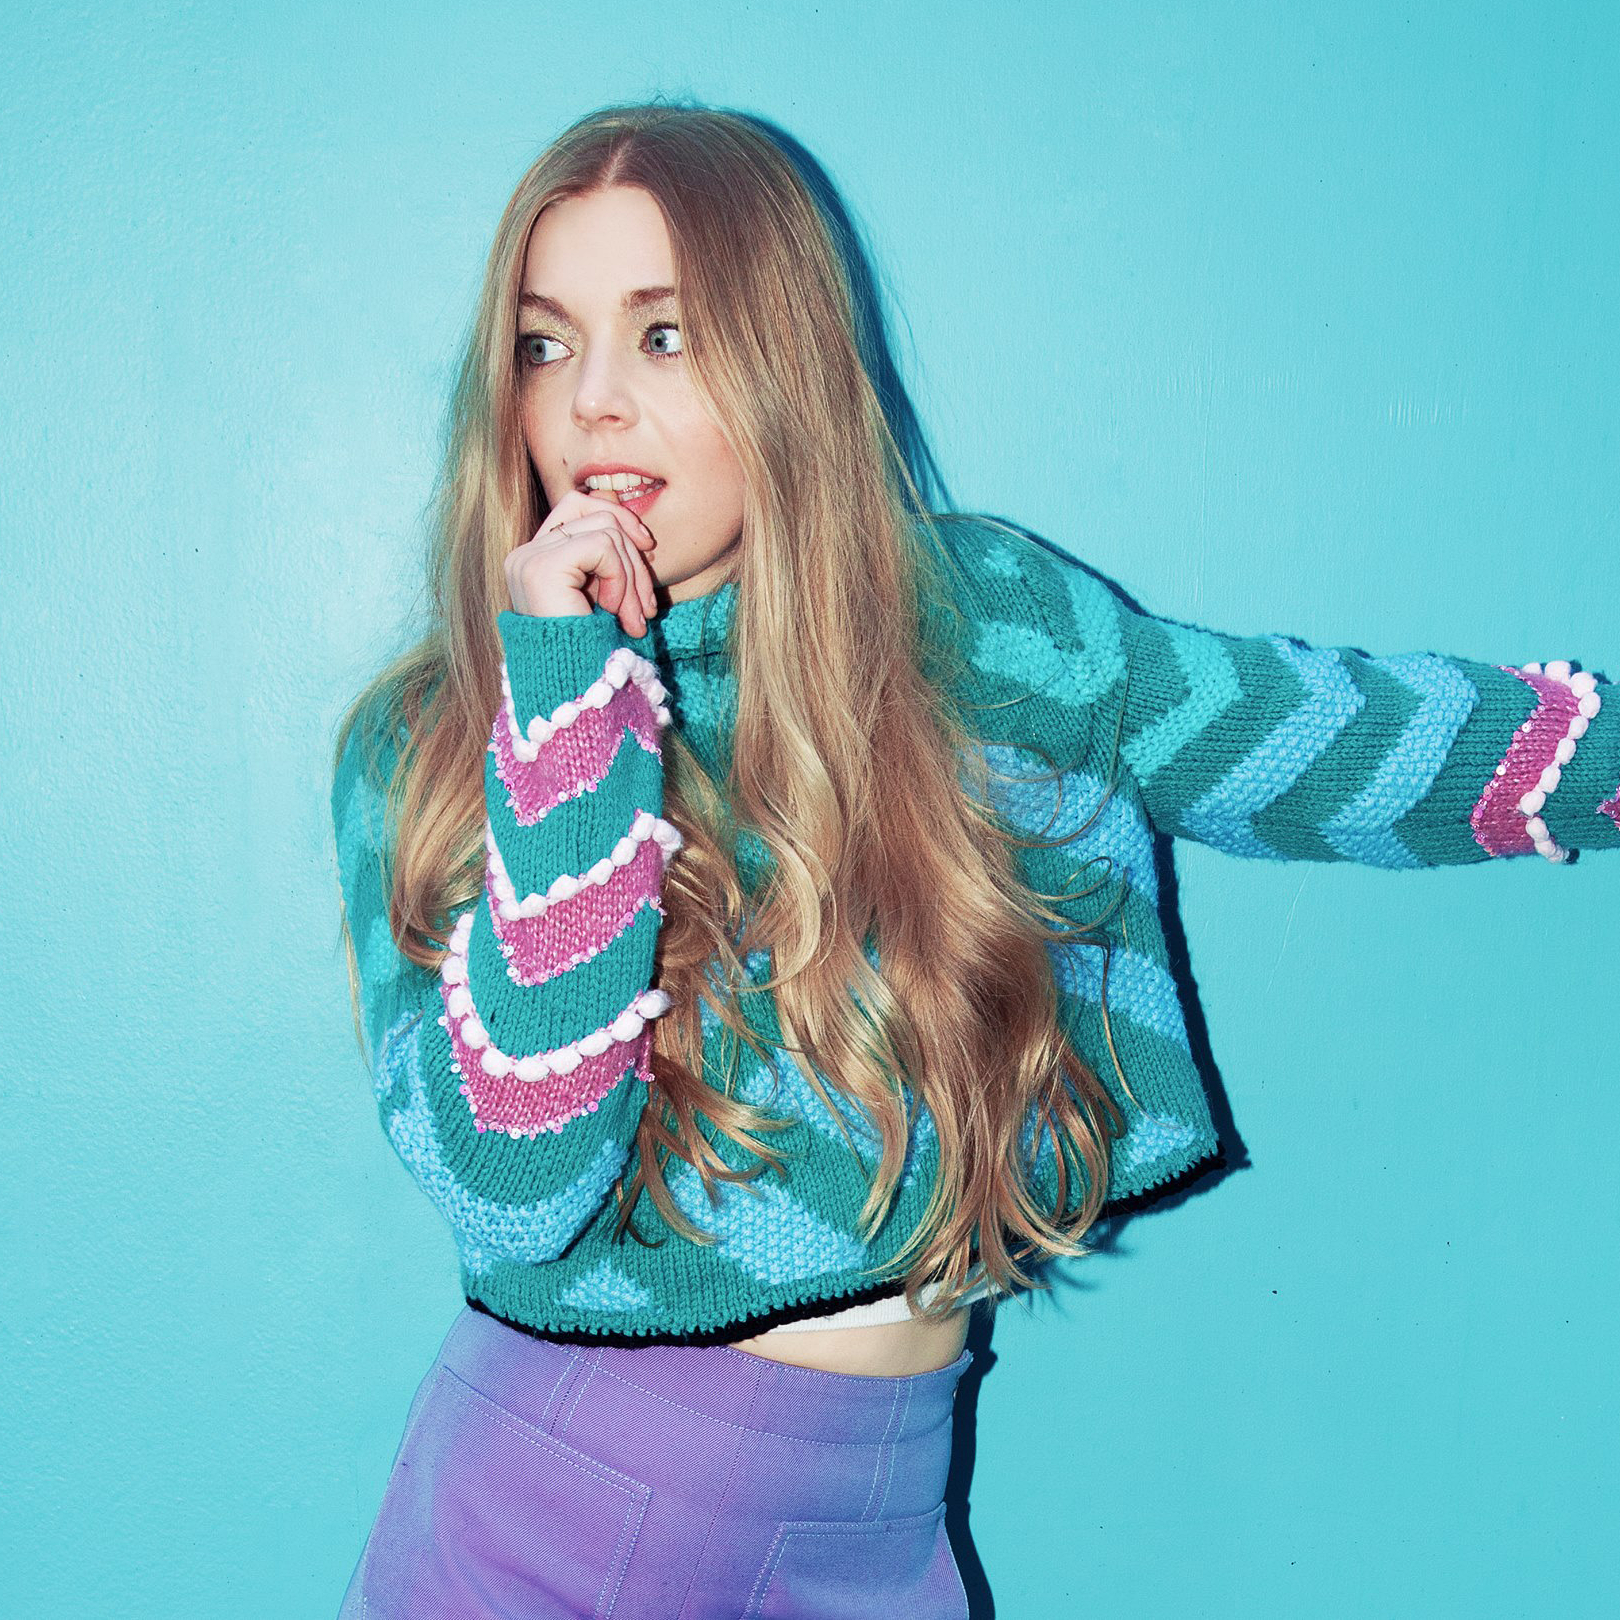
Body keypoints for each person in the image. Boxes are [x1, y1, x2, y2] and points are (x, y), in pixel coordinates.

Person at [328, 101, 1618, 1618]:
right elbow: (512, 1196)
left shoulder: (979, 625)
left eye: (665, 336)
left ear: (785, 357)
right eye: (546, 346)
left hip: (878, 1509)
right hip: (557, 1512)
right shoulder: (431, 743)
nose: (593, 404)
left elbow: (1304, 738)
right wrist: (565, 709)